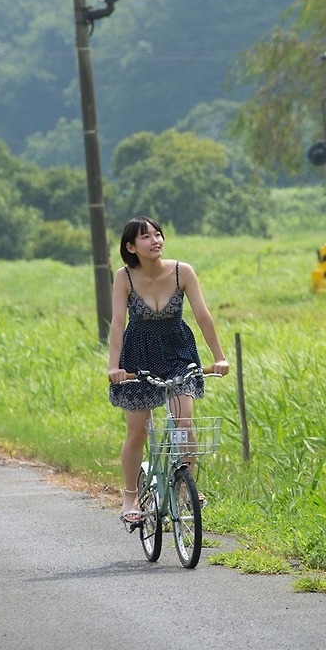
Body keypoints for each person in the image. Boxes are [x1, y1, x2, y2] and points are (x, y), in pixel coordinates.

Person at [106, 216, 229, 524]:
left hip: (178, 352)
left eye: (158, 234)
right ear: (131, 247)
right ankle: (130, 496)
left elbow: (202, 315)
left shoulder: (181, 271)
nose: (155, 240)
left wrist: (220, 357)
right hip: (138, 356)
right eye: (146, 237)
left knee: (183, 418)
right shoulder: (124, 277)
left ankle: (185, 486)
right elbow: (118, 323)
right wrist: (114, 366)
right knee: (137, 431)